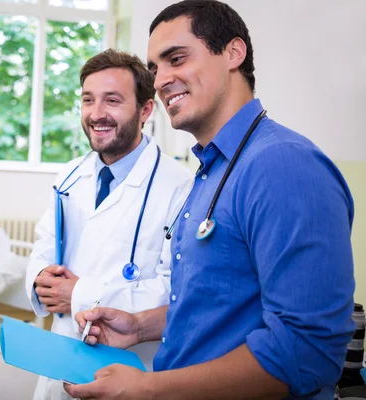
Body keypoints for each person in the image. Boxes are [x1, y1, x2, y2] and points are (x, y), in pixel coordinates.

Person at [64, 1, 355, 399]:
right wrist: (140, 326)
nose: (161, 80)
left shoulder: (282, 165)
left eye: (176, 59)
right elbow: (217, 304)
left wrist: (149, 388)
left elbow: (307, 352)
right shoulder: (211, 171)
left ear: (234, 53)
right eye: (154, 69)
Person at [25, 49, 191, 399]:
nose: (96, 114)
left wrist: (80, 294)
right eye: (88, 100)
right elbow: (44, 243)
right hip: (60, 355)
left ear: (146, 110)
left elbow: (175, 291)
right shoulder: (70, 174)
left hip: (130, 368)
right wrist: (40, 278)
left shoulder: (180, 187)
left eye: (112, 100)